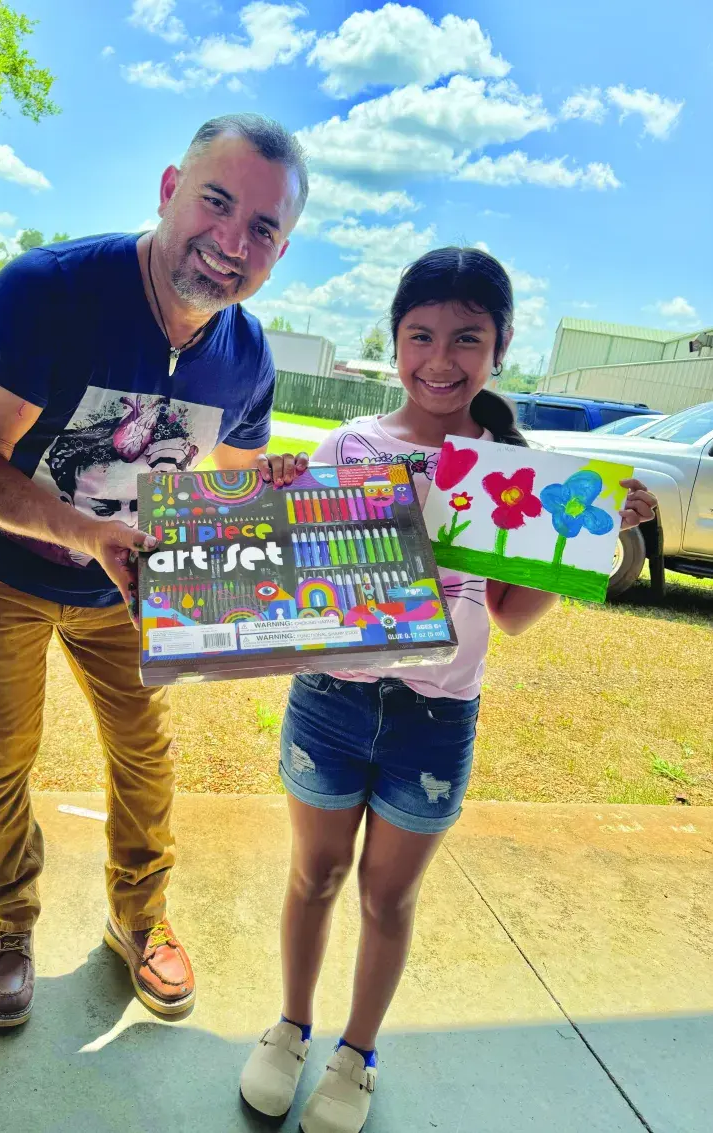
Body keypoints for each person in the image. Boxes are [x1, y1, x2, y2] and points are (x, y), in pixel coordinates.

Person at [240, 247, 657, 1133]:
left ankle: (356, 1053)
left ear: (500, 347)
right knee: (314, 874)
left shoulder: (514, 469)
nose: (440, 358)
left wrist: (584, 541)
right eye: (420, 334)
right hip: (330, 702)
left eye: (467, 337)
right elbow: (290, 581)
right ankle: (291, 1026)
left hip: (435, 722)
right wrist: (274, 489)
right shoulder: (350, 446)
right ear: (395, 341)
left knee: (387, 898)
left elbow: (511, 615)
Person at [0, 113, 309, 1027]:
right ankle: (7, 920)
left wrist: (283, 496)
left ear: (281, 251)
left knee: (146, 755)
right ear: (171, 189)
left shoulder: (248, 355)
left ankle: (137, 919)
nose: (232, 241)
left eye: (262, 228)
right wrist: (85, 530)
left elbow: (229, 483)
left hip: (126, 587)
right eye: (217, 202)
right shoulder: (48, 290)